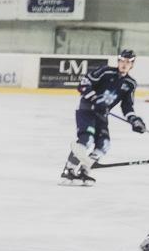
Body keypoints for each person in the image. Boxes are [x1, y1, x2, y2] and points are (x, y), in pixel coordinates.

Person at [60, 49, 145, 186]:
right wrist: (95, 99)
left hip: (102, 115)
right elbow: (83, 84)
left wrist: (134, 120)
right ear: (118, 61)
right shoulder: (105, 71)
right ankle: (68, 170)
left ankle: (84, 171)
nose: (124, 64)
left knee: (104, 144)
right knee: (87, 139)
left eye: (128, 62)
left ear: (132, 65)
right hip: (87, 110)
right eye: (122, 61)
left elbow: (127, 106)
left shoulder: (130, 83)